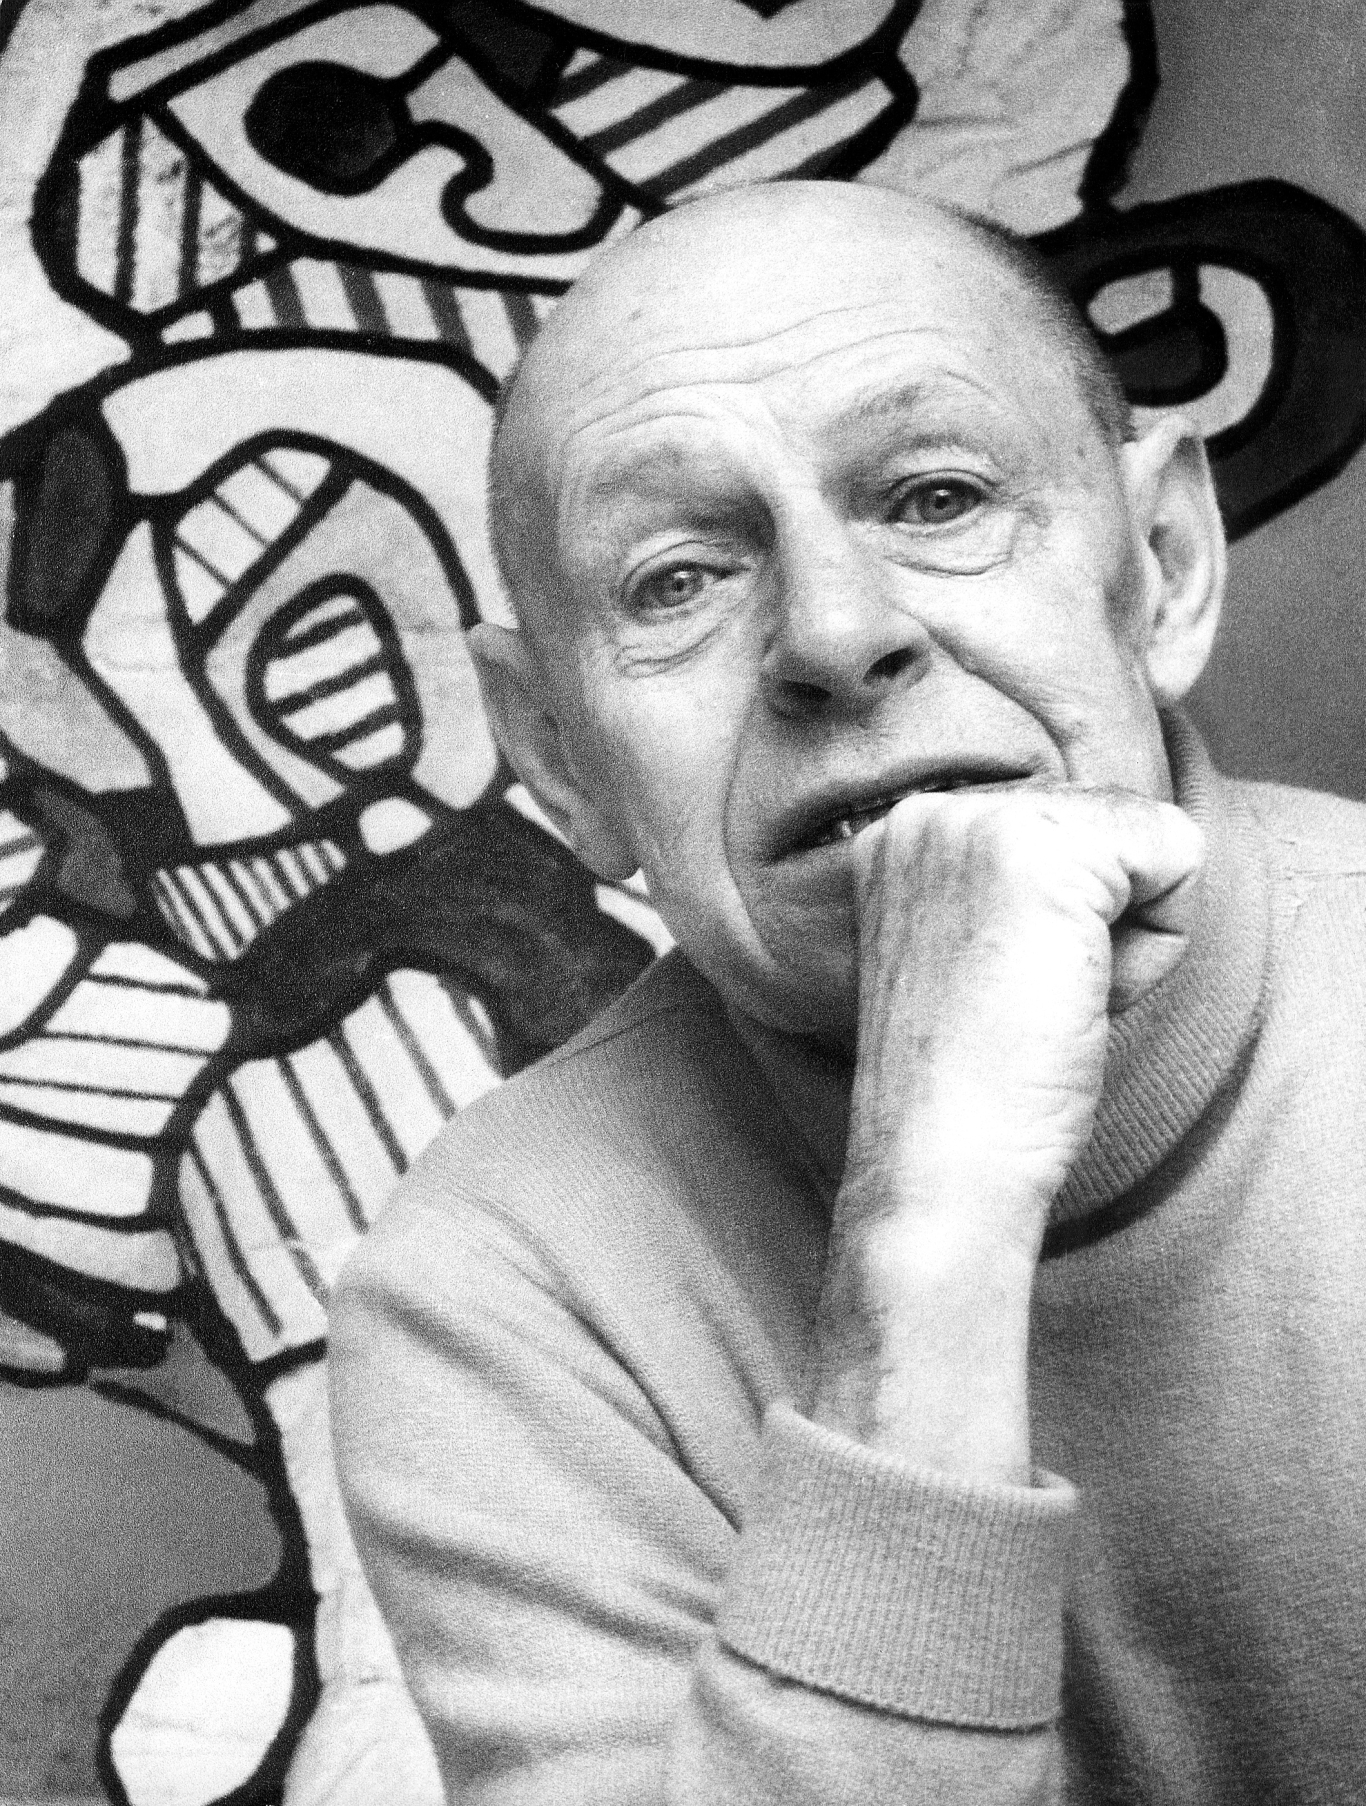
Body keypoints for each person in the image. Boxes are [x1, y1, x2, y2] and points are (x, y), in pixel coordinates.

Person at [329, 181, 1366, 1803]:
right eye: (675, 578)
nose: (831, 632)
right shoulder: (494, 1285)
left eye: (937, 496)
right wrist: (933, 1214)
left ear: (1160, 565)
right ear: (556, 758)